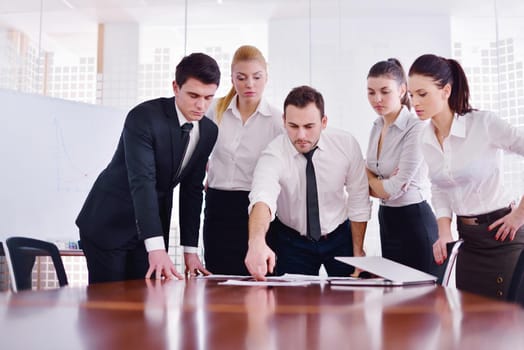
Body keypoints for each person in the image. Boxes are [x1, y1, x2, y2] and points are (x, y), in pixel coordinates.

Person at [76, 53, 221, 284]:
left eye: (208, 97)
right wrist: (156, 247)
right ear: (176, 87)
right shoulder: (143, 117)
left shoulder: (208, 132)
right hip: (109, 222)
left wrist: (190, 251)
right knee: (110, 308)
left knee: (144, 303)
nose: (201, 105)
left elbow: (192, 191)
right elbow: (142, 181)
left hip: (150, 227)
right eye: (193, 95)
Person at [408, 53, 524, 300]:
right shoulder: (424, 138)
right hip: (468, 242)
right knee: (471, 324)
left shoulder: (483, 124)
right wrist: (443, 231)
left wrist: (520, 215)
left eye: (422, 93)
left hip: (503, 236)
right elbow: (439, 187)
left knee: (505, 323)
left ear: (445, 91)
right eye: (411, 95)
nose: (414, 102)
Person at [244, 85, 371, 280]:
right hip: (292, 240)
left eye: (309, 126)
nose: (301, 135)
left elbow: (358, 199)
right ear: (284, 121)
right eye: (293, 126)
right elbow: (262, 198)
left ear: (324, 122)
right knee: (293, 304)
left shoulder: (346, 145)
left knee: (350, 301)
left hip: (339, 235)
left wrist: (358, 251)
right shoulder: (274, 153)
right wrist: (256, 242)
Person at [202, 45, 283, 275]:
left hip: (255, 208)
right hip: (218, 205)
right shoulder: (214, 110)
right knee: (217, 280)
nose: (250, 84)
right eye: (242, 77)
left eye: (257, 77)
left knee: (257, 282)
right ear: (232, 78)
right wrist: (209, 171)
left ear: (266, 77)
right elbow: (200, 151)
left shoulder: (277, 120)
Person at [365, 58, 439, 275]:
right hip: (387, 221)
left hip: (415, 221)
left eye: (385, 91)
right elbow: (367, 178)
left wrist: (371, 180)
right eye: (371, 92)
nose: (377, 99)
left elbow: (395, 188)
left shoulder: (416, 127)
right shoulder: (376, 127)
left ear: (402, 90)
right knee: (393, 302)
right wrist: (380, 183)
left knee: (421, 302)